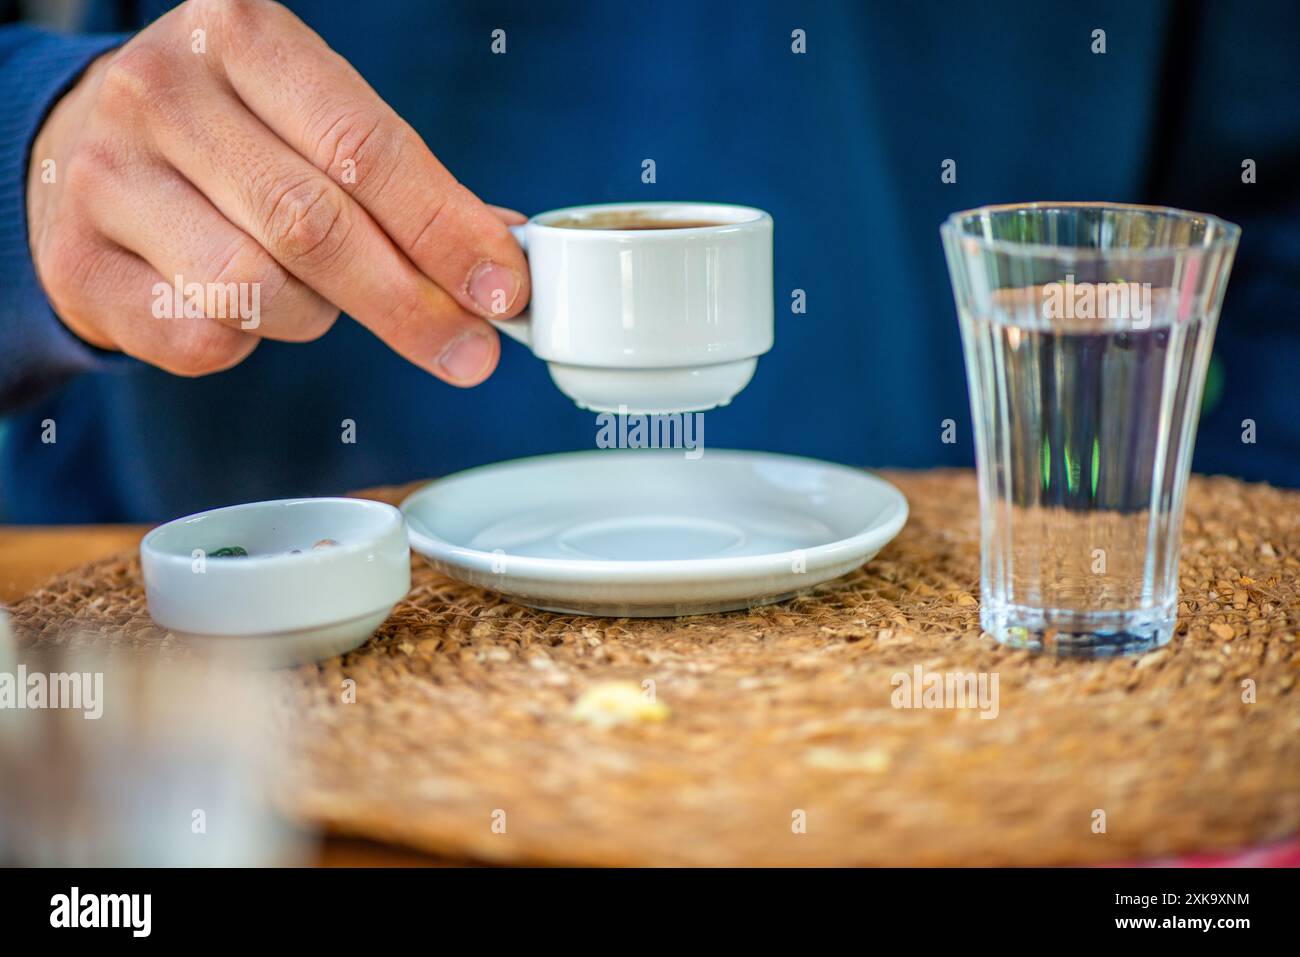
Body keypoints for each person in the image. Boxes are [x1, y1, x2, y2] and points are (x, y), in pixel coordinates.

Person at [1, 0, 1296, 522]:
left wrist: (1194, 641)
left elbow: (1269, 222)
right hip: (230, 664)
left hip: (970, 712)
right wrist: (38, 165)